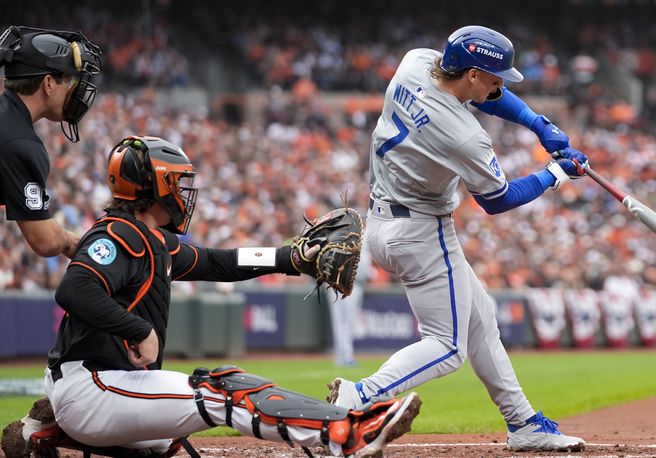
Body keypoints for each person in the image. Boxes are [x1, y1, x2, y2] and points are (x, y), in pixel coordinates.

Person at [0, 136, 420, 458]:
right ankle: (346, 432)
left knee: (163, 440)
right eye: (178, 182)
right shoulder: (118, 232)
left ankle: (45, 430)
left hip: (102, 388)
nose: (184, 193)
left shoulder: (152, 240)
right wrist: (138, 329)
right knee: (221, 390)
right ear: (156, 185)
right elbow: (73, 288)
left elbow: (219, 262)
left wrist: (289, 257)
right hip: (94, 385)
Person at [326, 25, 588, 452]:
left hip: (383, 220)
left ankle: (523, 424)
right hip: (421, 232)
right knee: (447, 348)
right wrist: (555, 173)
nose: (500, 85)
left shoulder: (414, 62)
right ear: (470, 75)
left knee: (481, 321)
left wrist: (537, 124)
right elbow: (498, 199)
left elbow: (489, 94)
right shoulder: (465, 135)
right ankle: (360, 397)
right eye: (493, 77)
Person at [0, 26, 102, 259]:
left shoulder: (8, 120)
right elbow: (45, 241)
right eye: (68, 81)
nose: (73, 89)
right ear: (48, 83)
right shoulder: (18, 141)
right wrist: (72, 241)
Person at [329, 245, 371, 367]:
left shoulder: (363, 244)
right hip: (341, 284)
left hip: (357, 285)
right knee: (341, 322)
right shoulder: (342, 243)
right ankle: (343, 355)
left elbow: (365, 271)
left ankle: (345, 354)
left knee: (350, 322)